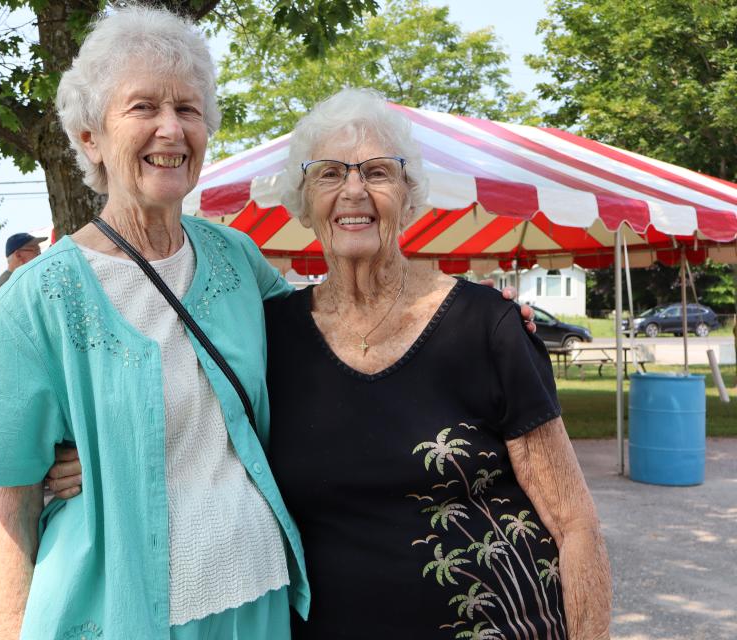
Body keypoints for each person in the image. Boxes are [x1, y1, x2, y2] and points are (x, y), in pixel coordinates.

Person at [0, 8, 307, 640]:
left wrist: (461, 319)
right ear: (91, 137)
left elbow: (333, 336)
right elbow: (9, 511)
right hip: (117, 612)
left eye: (189, 109)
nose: (171, 129)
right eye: (143, 107)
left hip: (255, 597)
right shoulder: (32, 302)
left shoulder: (237, 257)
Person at [260, 88, 611, 639]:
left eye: (377, 171)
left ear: (408, 193)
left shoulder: (487, 327)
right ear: (305, 201)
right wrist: (83, 463)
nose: (354, 190)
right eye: (329, 174)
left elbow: (574, 523)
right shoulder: (270, 335)